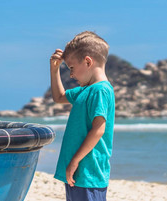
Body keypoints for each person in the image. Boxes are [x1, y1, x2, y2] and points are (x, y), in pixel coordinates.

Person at [50, 31, 115, 201]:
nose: (71, 74)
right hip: (79, 173)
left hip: (88, 172)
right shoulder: (85, 90)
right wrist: (55, 69)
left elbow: (98, 130)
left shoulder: (100, 90)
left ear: (87, 62)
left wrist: (75, 161)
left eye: (71, 68)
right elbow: (59, 97)